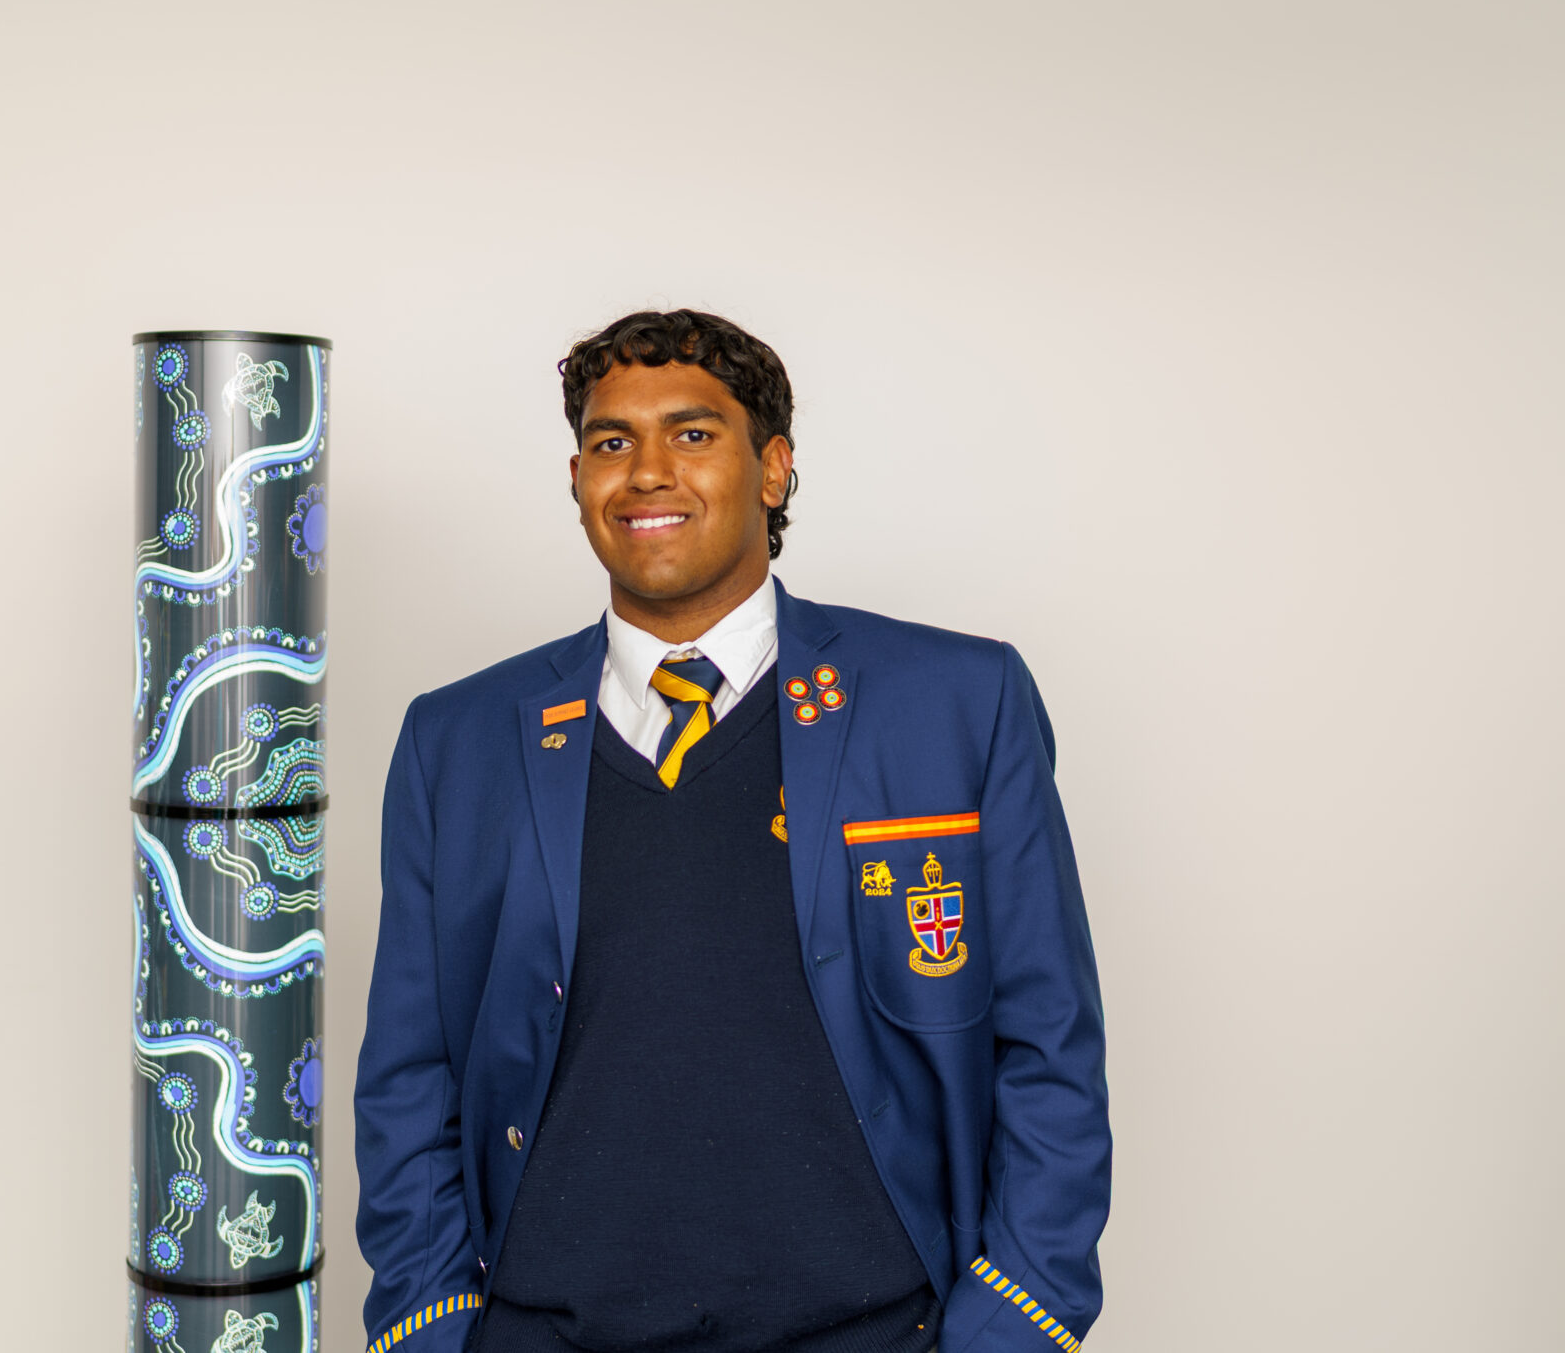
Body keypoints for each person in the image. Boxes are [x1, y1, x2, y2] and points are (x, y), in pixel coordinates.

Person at [355, 309, 1110, 1353]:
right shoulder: (459, 740)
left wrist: (1012, 1324)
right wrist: (428, 1325)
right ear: (577, 479)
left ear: (773, 470)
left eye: (693, 433)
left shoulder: (952, 703)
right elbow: (410, 1073)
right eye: (611, 442)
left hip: (875, 1331)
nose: (647, 471)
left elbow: (1049, 1044)